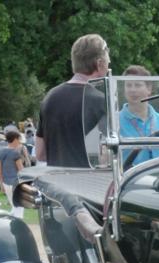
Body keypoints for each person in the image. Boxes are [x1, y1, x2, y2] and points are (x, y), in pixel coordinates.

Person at [37, 33, 109, 167]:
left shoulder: (50, 96)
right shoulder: (100, 100)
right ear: (99, 63)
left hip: (56, 181)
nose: (109, 64)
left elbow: (40, 153)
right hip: (87, 183)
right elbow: (108, 155)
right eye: (108, 60)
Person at [117, 64, 159, 166]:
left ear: (149, 89)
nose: (132, 90)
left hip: (158, 178)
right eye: (128, 85)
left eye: (137, 85)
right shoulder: (115, 121)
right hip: (128, 179)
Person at [0, 129, 26, 214]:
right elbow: (21, 171)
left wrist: (1, 184)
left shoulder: (2, 152)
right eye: (19, 139)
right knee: (19, 207)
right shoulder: (15, 153)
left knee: (14, 206)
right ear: (15, 139)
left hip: (6, 183)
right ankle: (17, 226)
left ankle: (10, 223)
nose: (20, 142)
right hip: (15, 184)